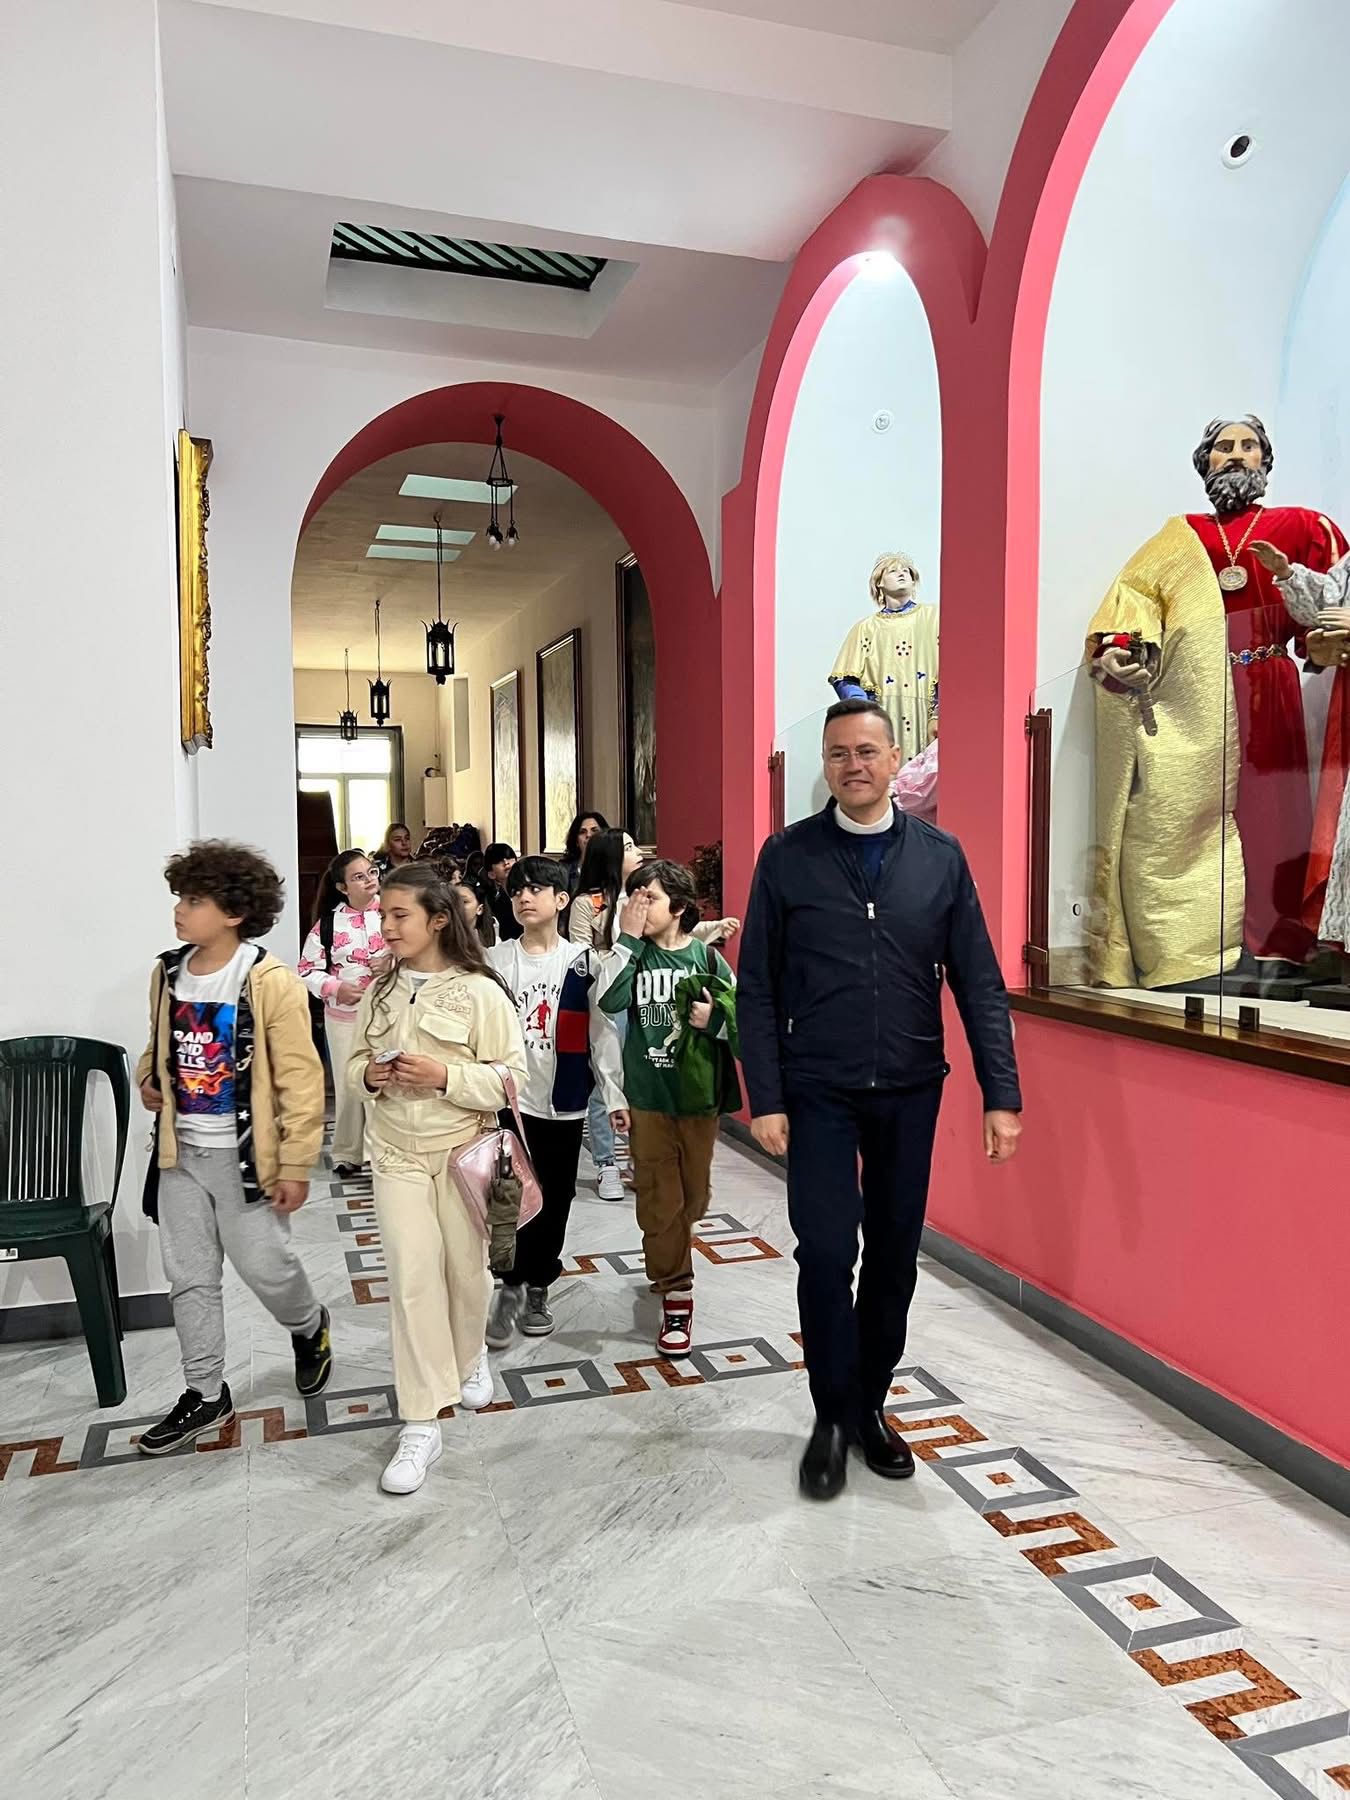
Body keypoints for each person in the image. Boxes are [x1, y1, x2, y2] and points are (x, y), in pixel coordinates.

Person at [738, 700, 1023, 1502]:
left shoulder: (939, 858)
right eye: (837, 754)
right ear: (824, 766)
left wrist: (1001, 1093)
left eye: (867, 751)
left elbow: (978, 983)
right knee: (827, 1254)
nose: (852, 765)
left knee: (895, 1255)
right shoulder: (787, 858)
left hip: (909, 1090)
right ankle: (830, 1417)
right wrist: (765, 1094)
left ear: (897, 760)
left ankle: (870, 1406)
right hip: (818, 1090)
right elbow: (755, 985)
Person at [1086, 416, 1347, 990]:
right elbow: (1132, 604)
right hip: (1195, 703)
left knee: (1277, 817)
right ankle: (1205, 950)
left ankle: (1279, 948)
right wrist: (1119, 651)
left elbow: (1335, 601)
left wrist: (1328, 639)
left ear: (1266, 461)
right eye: (1223, 447)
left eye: (1248, 446)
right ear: (1204, 462)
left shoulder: (1300, 525)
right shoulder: (1179, 536)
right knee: (1187, 818)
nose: (1235, 455)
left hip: (1270, 686)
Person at [135, 841, 331, 1455]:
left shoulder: (268, 981)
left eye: (194, 900)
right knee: (189, 1278)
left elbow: (301, 1078)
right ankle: (204, 1390)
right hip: (180, 1157)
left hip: (247, 1160)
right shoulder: (167, 973)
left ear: (234, 912)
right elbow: (156, 1046)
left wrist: (296, 1161)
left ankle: (309, 1326)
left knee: (267, 1269)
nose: (179, 911)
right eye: (180, 898)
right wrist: (148, 1077)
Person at [351, 865, 527, 1496]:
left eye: (400, 915)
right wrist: (371, 1077)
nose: (388, 926)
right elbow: (351, 1068)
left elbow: (512, 1079)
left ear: (437, 920)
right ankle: (422, 1421)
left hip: (464, 1151)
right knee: (411, 1278)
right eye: (382, 915)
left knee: (465, 1272)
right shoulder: (380, 989)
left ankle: (471, 1355)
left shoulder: (480, 992)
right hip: (395, 1155)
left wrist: (444, 1077)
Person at [484, 857, 625, 1346]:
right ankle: (509, 1284)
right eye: (519, 890)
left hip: (563, 1101)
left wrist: (614, 1093)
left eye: (537, 890)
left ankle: (538, 1282)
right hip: (509, 1101)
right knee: (508, 1196)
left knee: (556, 1196)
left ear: (561, 900)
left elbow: (602, 1034)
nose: (525, 897)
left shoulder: (582, 962)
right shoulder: (496, 960)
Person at [599, 859, 736, 1358]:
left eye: (649, 897)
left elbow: (740, 1017)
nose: (638, 905)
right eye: (633, 896)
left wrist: (713, 1018)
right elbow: (609, 1002)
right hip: (647, 1098)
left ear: (678, 907)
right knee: (660, 1198)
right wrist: (629, 941)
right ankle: (677, 1292)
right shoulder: (633, 957)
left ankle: (673, 1247)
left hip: (698, 1099)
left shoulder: (706, 958)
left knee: (692, 1198)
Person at [297, 850, 384, 1178]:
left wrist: (394, 962)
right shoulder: (329, 924)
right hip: (344, 1017)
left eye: (372, 872)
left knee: (383, 1084)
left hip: (389, 1014)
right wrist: (335, 989)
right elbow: (307, 970)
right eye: (359, 877)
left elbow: (419, 952)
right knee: (349, 1086)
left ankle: (381, 1154)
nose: (369, 880)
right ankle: (349, 1151)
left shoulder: (394, 913)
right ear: (342, 887)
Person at [569, 827, 643, 1199]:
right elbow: (581, 955)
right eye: (629, 847)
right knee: (606, 1081)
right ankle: (605, 1163)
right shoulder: (589, 903)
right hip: (607, 1000)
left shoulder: (647, 895)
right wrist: (621, 952)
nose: (638, 851)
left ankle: (639, 1158)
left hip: (645, 998)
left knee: (642, 1079)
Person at [483, 841, 523, 943]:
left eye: (509, 857)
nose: (506, 862)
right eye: (498, 861)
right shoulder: (494, 902)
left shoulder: (529, 891)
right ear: (491, 874)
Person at [562, 811, 610, 892]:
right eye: (582, 832)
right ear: (576, 841)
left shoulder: (613, 867)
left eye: (595, 831)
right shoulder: (564, 871)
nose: (588, 835)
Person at [456, 876, 498, 949]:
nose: (456, 905)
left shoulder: (495, 943)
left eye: (464, 902)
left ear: (479, 909)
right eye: (453, 900)